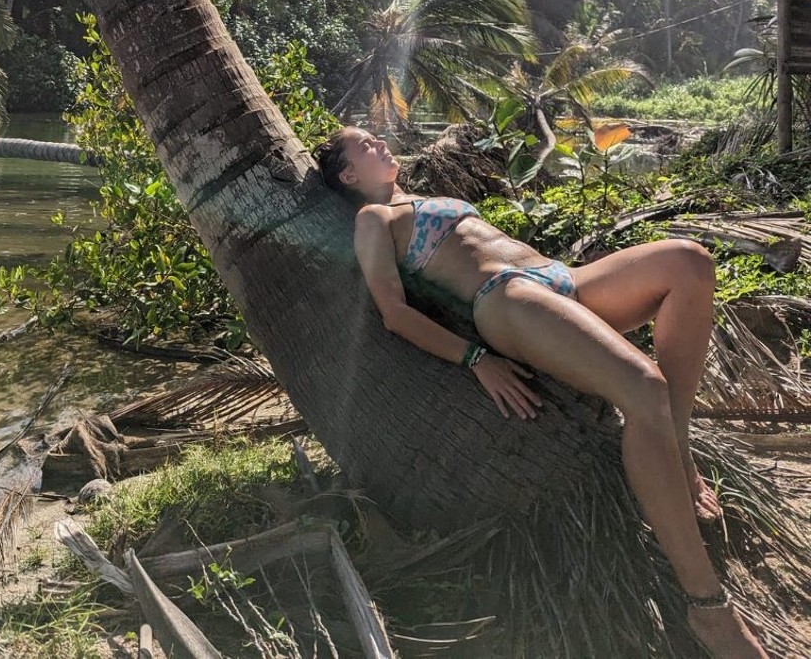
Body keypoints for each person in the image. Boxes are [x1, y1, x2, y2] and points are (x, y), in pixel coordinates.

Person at [314, 126, 770, 659]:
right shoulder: (374, 219)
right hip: (505, 298)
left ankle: (678, 449)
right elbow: (394, 313)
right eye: (363, 146)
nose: (379, 143)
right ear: (348, 175)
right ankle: (708, 608)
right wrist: (475, 358)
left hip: (561, 281)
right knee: (644, 387)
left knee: (690, 262)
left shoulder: (418, 197)